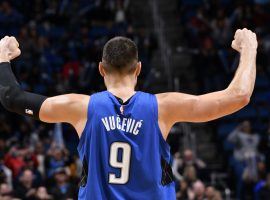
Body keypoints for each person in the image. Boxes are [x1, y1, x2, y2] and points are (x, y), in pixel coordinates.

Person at [0, 28, 257, 199]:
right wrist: (249, 50)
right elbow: (239, 96)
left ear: (101, 69)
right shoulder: (163, 107)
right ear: (139, 69)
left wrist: (2, 57)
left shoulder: (81, 107)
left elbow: (13, 98)